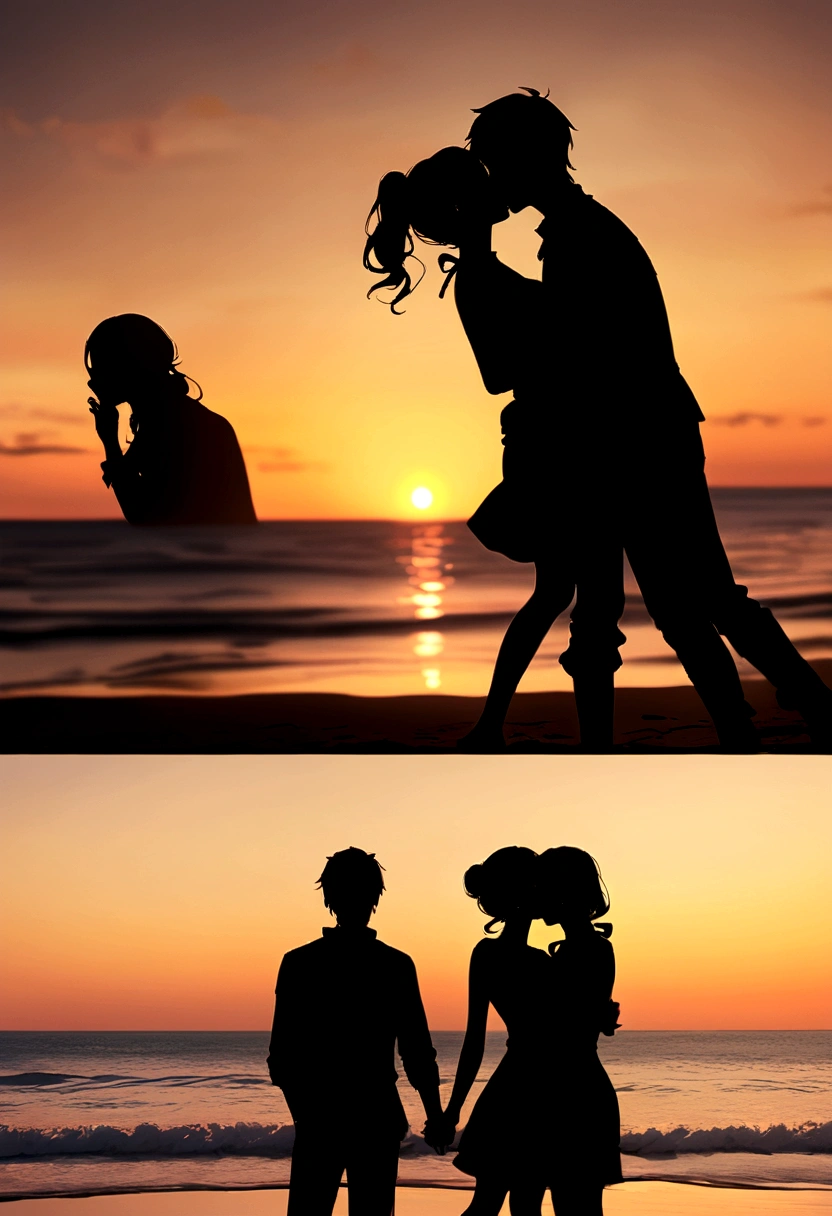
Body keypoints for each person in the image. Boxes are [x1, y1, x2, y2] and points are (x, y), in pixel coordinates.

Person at [456, 87, 832, 749]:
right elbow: (562, 330)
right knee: (691, 604)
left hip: (638, 441)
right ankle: (765, 717)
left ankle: (800, 706)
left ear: (529, 158)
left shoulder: (578, 238)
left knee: (698, 601)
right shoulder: (576, 232)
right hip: (636, 437)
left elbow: (566, 344)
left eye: (497, 162)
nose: (494, 177)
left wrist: (484, 269)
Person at [364, 149, 625, 749]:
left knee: (558, 593)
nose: (496, 186)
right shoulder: (478, 278)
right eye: (481, 185)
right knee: (589, 599)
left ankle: (493, 723)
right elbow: (495, 373)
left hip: (552, 438)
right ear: (466, 208)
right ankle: (573, 737)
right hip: (555, 445)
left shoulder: (484, 270)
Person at [424, 847, 620, 1215]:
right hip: (552, 1091)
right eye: (536, 883)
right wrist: (598, 1017)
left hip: (523, 1089)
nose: (540, 891)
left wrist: (451, 1112)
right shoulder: (548, 960)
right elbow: (570, 1024)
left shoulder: (502, 956)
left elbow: (475, 1043)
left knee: (505, 1203)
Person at [267, 847, 444, 1216]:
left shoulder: (299, 964)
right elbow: (417, 1053)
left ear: (328, 897)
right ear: (376, 896)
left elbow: (281, 1058)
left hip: (320, 1118)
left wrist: (305, 1115)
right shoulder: (395, 965)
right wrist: (436, 1116)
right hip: (376, 1117)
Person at [85, 313, 257, 525]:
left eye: (101, 368)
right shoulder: (171, 417)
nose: (92, 381)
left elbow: (144, 516)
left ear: (129, 367)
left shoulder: (177, 426)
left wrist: (110, 441)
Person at [532, 847, 622, 1216]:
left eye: (543, 888)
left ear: (562, 892)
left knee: (573, 1204)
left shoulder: (578, 952)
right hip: (582, 1088)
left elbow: (563, 1028)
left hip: (574, 1093)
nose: (537, 897)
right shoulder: (592, 948)